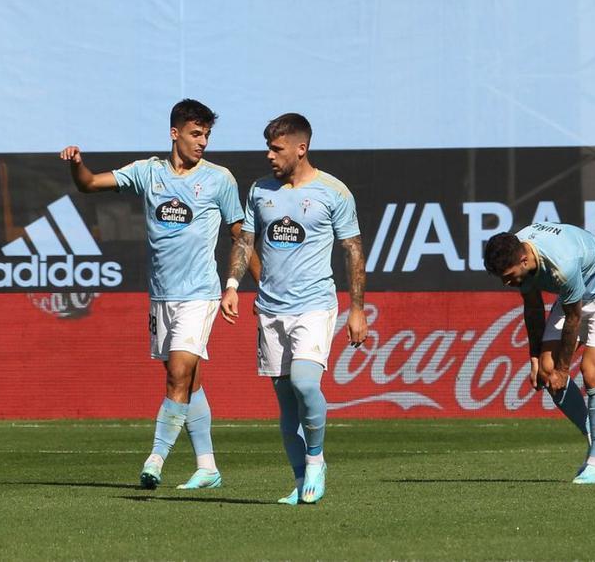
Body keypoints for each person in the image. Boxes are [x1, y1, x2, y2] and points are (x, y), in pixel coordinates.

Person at [60, 99, 251, 490]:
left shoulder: (220, 179)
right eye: (196, 134)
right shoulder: (148, 172)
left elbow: (241, 236)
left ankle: (155, 459)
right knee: (188, 379)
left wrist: (237, 286)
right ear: (174, 133)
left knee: (178, 373)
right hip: (162, 296)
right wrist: (76, 164)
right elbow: (90, 184)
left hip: (200, 293)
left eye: (207, 135)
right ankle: (208, 466)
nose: (203, 143)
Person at [221, 112, 367, 505]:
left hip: (315, 306)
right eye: (268, 147)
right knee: (286, 406)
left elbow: (352, 249)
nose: (270, 155)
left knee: (306, 383)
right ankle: (301, 480)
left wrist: (357, 309)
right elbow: (246, 241)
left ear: (301, 149)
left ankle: (317, 459)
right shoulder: (259, 190)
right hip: (270, 309)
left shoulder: (334, 192)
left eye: (277, 148)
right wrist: (233, 285)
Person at [483, 224, 595, 484]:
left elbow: (574, 318)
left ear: (524, 259)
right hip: (574, 296)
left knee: (591, 371)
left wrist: (565, 370)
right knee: (546, 371)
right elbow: (532, 307)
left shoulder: (562, 265)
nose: (507, 283)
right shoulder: (519, 252)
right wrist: (534, 357)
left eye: (508, 276)